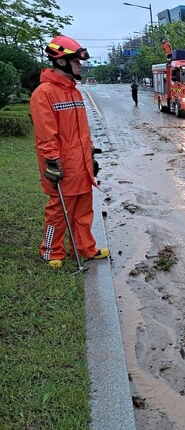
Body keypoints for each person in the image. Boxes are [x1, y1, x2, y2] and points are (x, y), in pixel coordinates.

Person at [30, 35, 110, 268]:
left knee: (84, 212)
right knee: (58, 212)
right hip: (62, 167)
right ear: (62, 61)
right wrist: (52, 163)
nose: (80, 66)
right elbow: (46, 135)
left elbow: (82, 131)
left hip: (81, 166)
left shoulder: (74, 92)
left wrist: (90, 155)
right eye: (76, 61)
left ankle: (86, 249)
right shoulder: (44, 93)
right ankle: (51, 251)